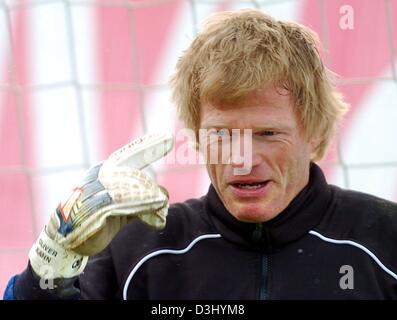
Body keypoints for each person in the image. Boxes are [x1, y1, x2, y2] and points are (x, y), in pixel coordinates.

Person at [4, 9, 397, 300]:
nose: (242, 158)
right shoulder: (137, 251)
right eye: (222, 135)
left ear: (314, 134)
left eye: (267, 133)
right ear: (196, 137)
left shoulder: (384, 240)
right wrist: (51, 262)